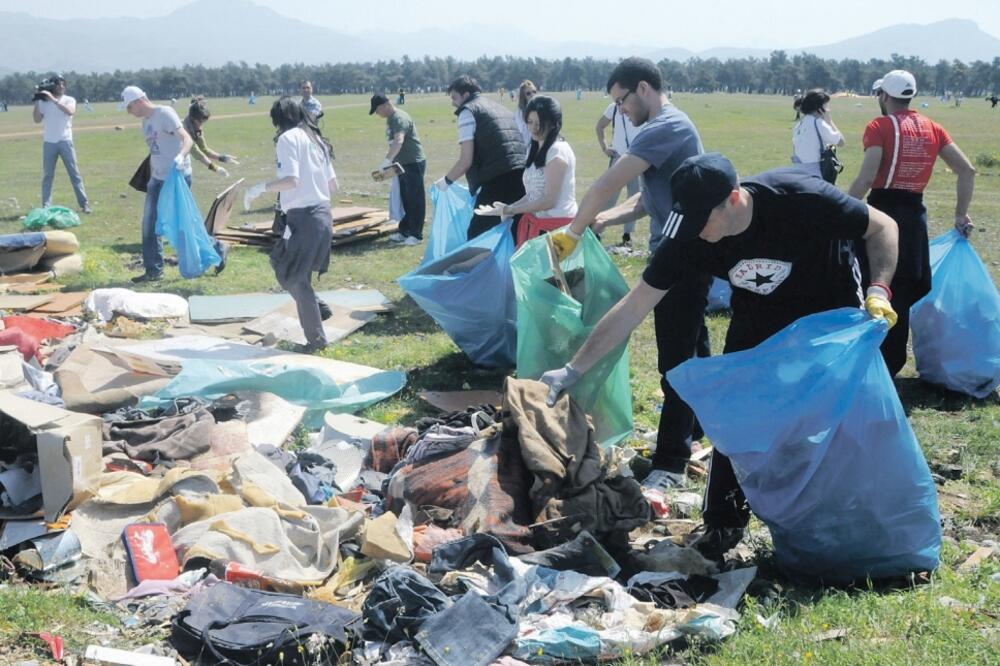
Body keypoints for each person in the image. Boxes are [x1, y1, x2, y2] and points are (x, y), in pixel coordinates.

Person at [542, 152, 900, 559]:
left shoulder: (801, 197)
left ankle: (856, 515)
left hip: (828, 306)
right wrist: (572, 370)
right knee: (736, 409)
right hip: (759, 311)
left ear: (733, 199)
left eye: (702, 221)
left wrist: (879, 289)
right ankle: (722, 523)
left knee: (835, 415)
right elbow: (635, 305)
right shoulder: (691, 237)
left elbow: (883, 226)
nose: (695, 233)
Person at [550, 57, 711, 492]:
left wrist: (574, 231)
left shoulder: (666, 126)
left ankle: (671, 463)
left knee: (675, 364)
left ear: (643, 88)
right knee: (694, 354)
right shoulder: (663, 129)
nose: (619, 110)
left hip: (681, 254)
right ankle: (695, 434)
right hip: (681, 248)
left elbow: (604, 185)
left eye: (621, 101)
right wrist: (604, 221)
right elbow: (643, 199)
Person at [848, 69, 976, 377]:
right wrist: (961, 213)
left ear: (884, 96)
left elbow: (867, 177)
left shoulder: (878, 126)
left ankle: (870, 361)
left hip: (881, 215)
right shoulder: (932, 127)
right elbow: (967, 170)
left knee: (873, 286)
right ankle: (892, 364)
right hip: (914, 218)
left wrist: (843, 209)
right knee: (902, 293)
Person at [243, 97, 338, 353]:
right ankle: (318, 307)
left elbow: (291, 180)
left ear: (278, 119)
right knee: (279, 261)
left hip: (304, 218)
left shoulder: (288, 139)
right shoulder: (316, 139)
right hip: (321, 215)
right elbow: (333, 185)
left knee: (296, 278)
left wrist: (261, 188)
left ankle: (316, 341)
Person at [473, 95, 577, 245]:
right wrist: (509, 207)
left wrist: (512, 210)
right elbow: (533, 194)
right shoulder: (534, 148)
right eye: (530, 122)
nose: (534, 128)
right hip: (540, 225)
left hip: (557, 228)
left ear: (554, 124)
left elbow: (549, 200)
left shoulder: (557, 151)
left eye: (540, 123)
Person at [435, 75, 526, 240]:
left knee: (477, 236)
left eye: (455, 97)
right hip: (522, 175)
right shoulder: (499, 107)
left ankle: (475, 267)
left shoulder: (468, 111)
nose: (453, 103)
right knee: (516, 233)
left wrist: (446, 181)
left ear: (466, 95)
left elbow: (466, 160)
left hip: (497, 180)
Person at [122, 85, 195, 282]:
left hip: (177, 177)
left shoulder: (165, 113)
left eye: (129, 107)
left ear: (139, 101)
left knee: (180, 224)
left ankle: (216, 249)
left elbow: (187, 139)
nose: (129, 112)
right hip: (157, 179)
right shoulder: (145, 123)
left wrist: (180, 157)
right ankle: (154, 271)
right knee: (149, 225)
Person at [182, 96, 239, 272]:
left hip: (181, 175)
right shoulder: (183, 127)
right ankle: (210, 248)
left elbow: (202, 150)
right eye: (201, 122)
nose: (202, 125)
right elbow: (196, 152)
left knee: (185, 219)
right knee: (184, 219)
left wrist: (221, 158)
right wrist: (214, 167)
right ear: (193, 118)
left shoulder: (194, 128)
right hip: (178, 173)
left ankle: (216, 248)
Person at [370, 93, 426, 246]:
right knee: (405, 199)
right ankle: (405, 231)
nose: (377, 113)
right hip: (401, 164)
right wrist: (391, 163)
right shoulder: (390, 118)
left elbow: (398, 141)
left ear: (385, 105)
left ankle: (416, 235)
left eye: (377, 110)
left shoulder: (398, 118)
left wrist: (386, 161)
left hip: (412, 163)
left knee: (415, 199)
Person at [34, 75, 90, 213]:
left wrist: (53, 100)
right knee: (48, 175)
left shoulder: (69, 100)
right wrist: (37, 100)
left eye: (64, 84)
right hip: (49, 142)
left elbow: (70, 111)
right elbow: (36, 120)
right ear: (53, 86)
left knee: (74, 174)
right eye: (59, 84)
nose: (62, 87)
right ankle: (46, 206)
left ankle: (84, 204)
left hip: (65, 141)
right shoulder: (43, 102)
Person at [595, 97, 644, 245]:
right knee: (610, 196)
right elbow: (599, 126)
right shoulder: (613, 108)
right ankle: (597, 230)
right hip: (618, 157)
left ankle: (627, 235)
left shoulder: (641, 108)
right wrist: (604, 147)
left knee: (634, 198)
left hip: (637, 158)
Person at [791, 88, 844, 182]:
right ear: (820, 107)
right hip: (815, 173)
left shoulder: (799, 124)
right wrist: (829, 120)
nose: (828, 109)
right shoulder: (818, 123)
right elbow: (841, 142)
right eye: (826, 105)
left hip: (799, 172)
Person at [514, 80, 538, 146]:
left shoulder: (541, 108)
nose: (532, 94)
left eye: (534, 91)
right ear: (523, 96)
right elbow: (521, 131)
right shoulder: (519, 112)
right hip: (526, 146)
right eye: (528, 93)